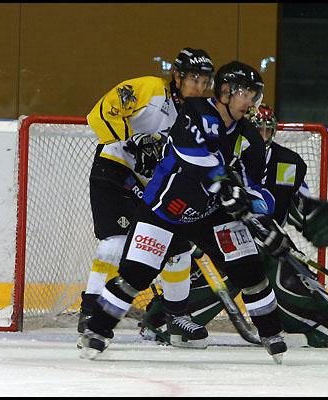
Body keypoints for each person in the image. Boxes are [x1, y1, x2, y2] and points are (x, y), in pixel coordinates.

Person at [79, 61, 300, 363]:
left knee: (250, 270)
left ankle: (272, 334)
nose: (251, 102)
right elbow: (191, 156)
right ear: (225, 91)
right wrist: (225, 185)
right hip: (165, 207)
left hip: (210, 213)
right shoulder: (195, 111)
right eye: (246, 94)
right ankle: (97, 330)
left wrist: (266, 223)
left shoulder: (250, 137)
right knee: (136, 275)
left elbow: (253, 186)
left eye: (254, 95)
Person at [140, 104, 328, 348]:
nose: (261, 135)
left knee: (289, 272)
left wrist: (315, 218)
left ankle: (319, 325)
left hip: (267, 237)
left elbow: (298, 207)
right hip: (223, 234)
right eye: (255, 129)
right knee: (231, 272)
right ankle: (164, 322)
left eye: (266, 130)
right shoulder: (224, 155)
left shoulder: (290, 163)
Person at [78, 48, 215, 349]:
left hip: (156, 188)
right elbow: (99, 112)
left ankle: (176, 319)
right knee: (115, 243)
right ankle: (91, 312)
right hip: (115, 172)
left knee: (176, 249)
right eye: (194, 78)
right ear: (177, 76)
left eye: (205, 81)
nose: (200, 86)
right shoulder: (149, 89)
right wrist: (132, 139)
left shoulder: (199, 116)